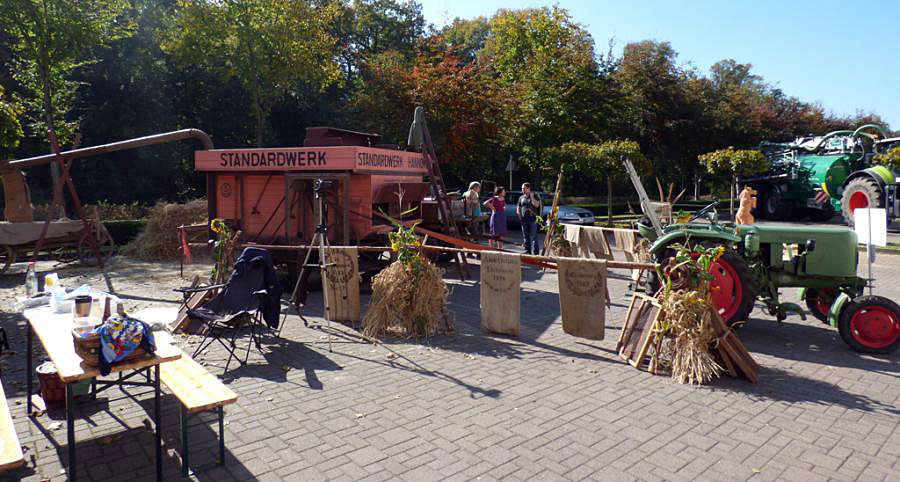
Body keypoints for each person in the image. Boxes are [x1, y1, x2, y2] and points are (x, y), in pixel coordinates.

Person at [517, 182, 542, 255]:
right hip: (524, 220)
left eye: (524, 188)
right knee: (525, 236)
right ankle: (527, 251)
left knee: (534, 236)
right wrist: (519, 216)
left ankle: (536, 252)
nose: (522, 190)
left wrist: (532, 197)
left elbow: (537, 205)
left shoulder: (534, 195)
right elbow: (518, 207)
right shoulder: (521, 197)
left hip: (532, 219)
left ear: (528, 188)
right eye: (522, 188)